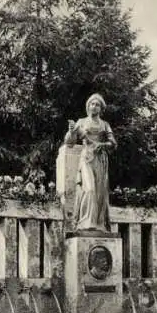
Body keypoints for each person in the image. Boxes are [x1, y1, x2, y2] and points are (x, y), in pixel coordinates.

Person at [64, 93, 117, 233]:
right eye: (92, 104)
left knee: (100, 193)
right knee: (89, 189)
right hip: (86, 158)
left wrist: (103, 145)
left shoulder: (105, 125)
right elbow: (69, 142)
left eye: (97, 104)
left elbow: (113, 143)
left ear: (101, 108)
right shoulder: (81, 122)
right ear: (88, 106)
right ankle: (85, 223)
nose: (94, 107)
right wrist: (71, 131)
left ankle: (98, 224)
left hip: (100, 160)